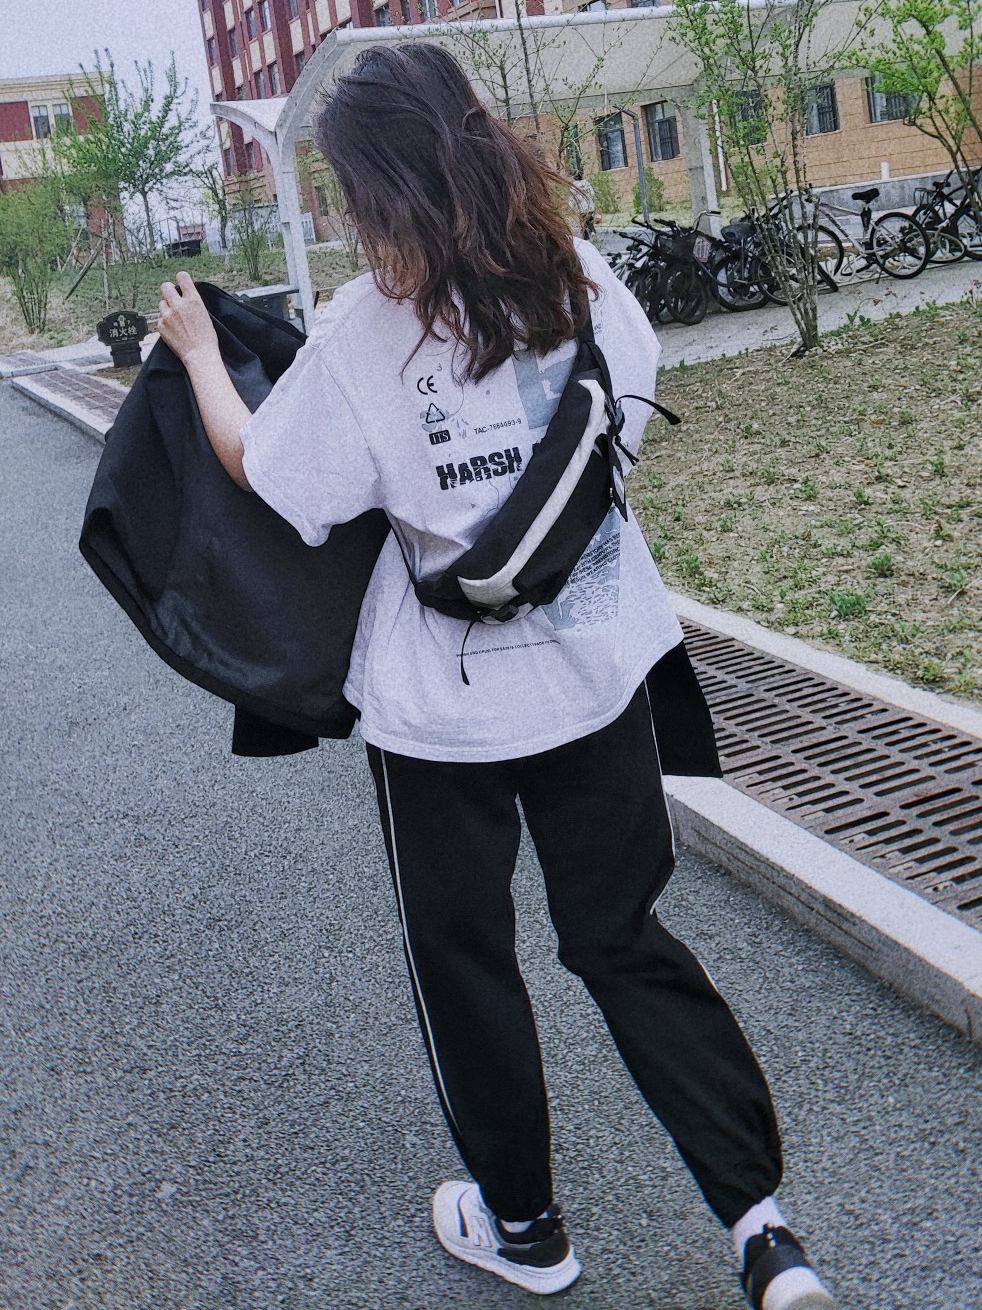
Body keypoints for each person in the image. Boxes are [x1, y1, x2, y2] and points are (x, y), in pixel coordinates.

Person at [156, 42, 838, 1310]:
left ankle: (524, 1226)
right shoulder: (585, 281)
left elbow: (271, 473)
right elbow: (620, 435)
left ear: (377, 192)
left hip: (441, 715)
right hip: (596, 674)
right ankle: (764, 1232)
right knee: (621, 937)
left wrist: (199, 349)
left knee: (464, 956)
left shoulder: (362, 335)